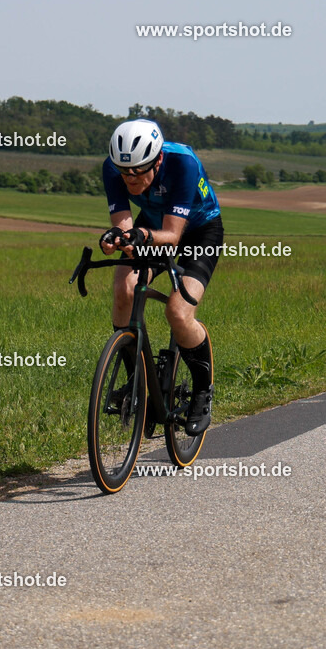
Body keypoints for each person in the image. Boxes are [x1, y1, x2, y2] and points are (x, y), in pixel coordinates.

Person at [99, 118, 224, 434]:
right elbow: (126, 228)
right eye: (124, 172)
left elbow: (172, 234)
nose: (130, 179)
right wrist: (115, 239)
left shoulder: (182, 163)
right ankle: (135, 383)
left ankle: (202, 392)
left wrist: (139, 235)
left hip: (200, 231)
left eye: (138, 172)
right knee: (124, 289)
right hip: (152, 225)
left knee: (178, 311)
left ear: (157, 160)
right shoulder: (114, 168)